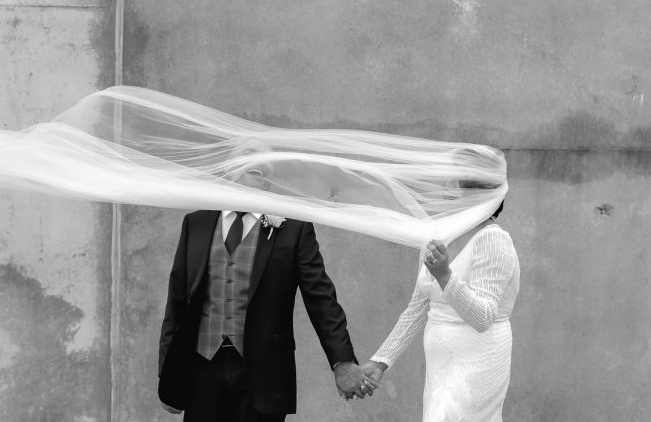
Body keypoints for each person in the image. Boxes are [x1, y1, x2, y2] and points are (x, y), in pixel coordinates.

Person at [158, 140, 375, 421]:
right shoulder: (195, 224)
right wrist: (168, 373)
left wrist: (342, 361)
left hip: (265, 376)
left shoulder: (293, 228)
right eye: (247, 161)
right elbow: (176, 305)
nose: (258, 168)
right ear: (228, 171)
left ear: (268, 182)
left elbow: (321, 300)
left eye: (264, 167)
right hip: (201, 371)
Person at [361, 199, 520, 421]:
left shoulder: (493, 239)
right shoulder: (436, 236)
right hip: (440, 360)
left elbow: (483, 318)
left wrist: (445, 275)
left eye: (454, 186)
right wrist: (381, 360)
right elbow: (417, 309)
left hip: (479, 358)